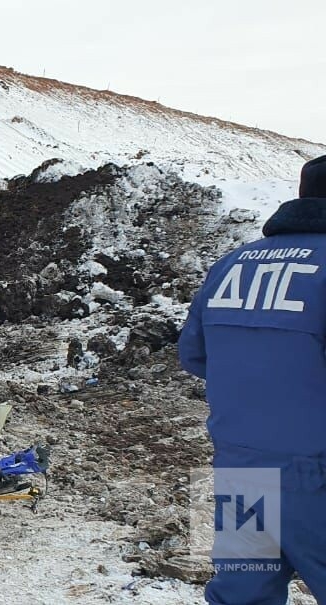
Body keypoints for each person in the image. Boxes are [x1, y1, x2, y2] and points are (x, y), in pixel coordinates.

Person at [179, 154, 326, 604]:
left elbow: (195, 355)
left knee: (239, 595)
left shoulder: (232, 263)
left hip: (235, 468)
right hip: (316, 474)